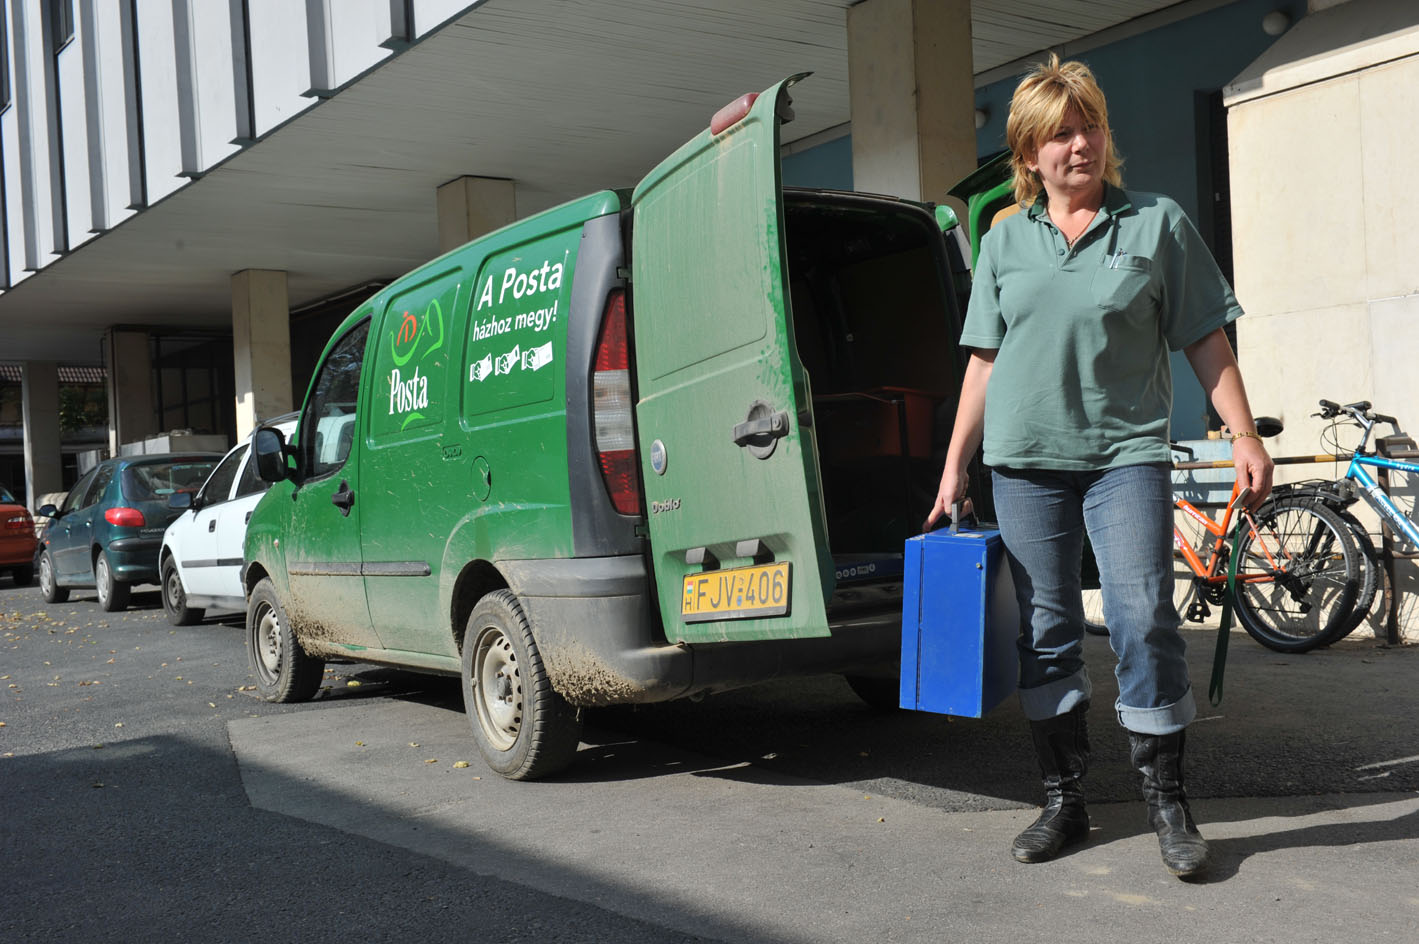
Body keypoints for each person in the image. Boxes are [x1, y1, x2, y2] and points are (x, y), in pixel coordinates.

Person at [926, 54, 1273, 879]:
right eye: (1059, 134)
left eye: (1089, 127)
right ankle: (1063, 799)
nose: (1079, 145)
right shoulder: (1003, 240)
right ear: (1029, 153)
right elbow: (982, 361)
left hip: (1125, 456)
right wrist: (954, 466)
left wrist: (1243, 433)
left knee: (1141, 616)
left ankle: (1166, 801)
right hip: (1024, 462)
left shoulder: (1155, 223)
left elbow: (1203, 336)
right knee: (1044, 630)